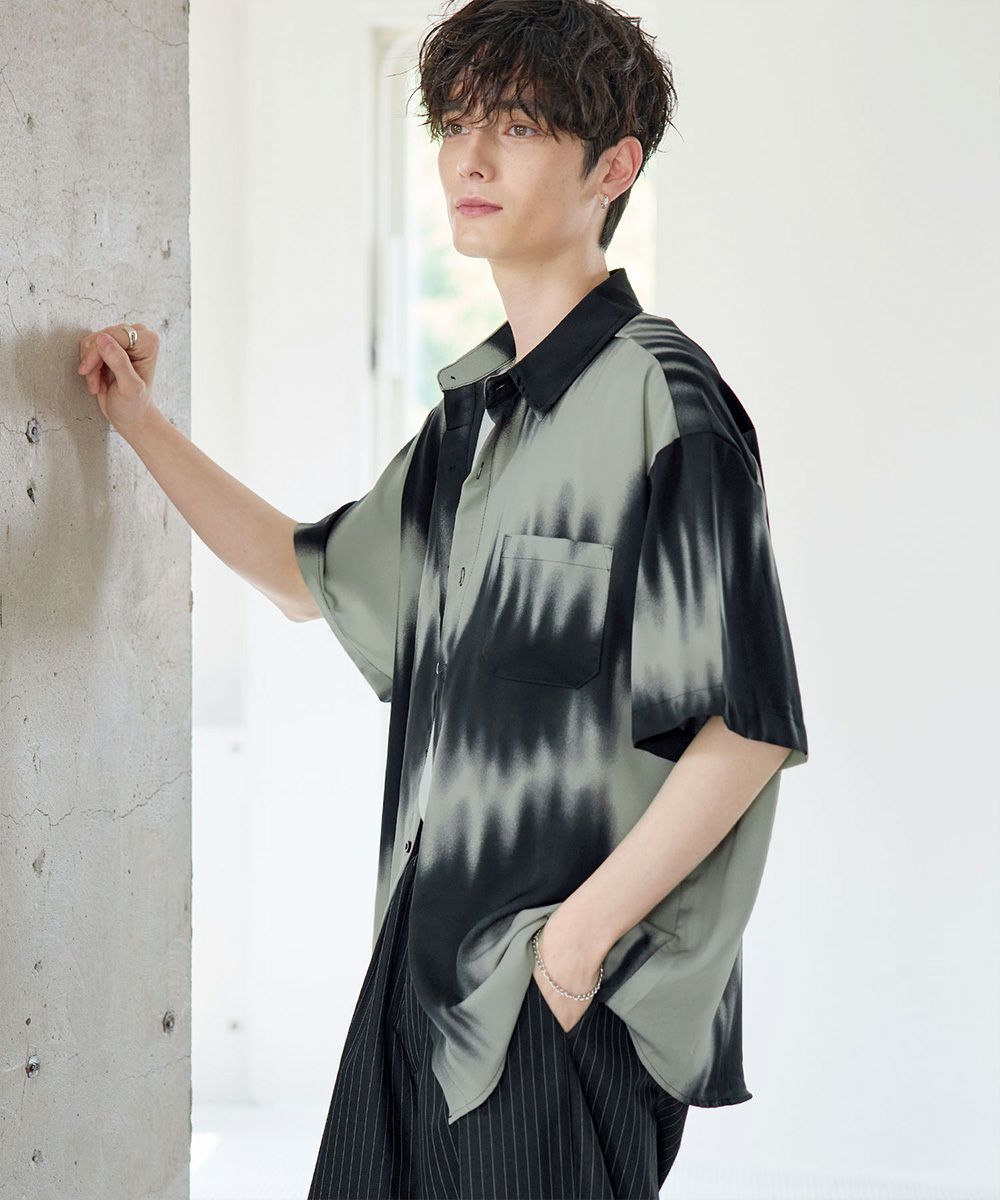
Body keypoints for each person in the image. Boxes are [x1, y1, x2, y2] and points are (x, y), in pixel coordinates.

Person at [77, 2, 809, 1196]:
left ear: (612, 167)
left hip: (554, 1012)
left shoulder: (667, 404)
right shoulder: (468, 424)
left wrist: (569, 953)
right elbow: (303, 576)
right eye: (456, 124)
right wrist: (138, 422)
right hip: (416, 976)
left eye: (516, 127)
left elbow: (747, 727)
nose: (469, 158)